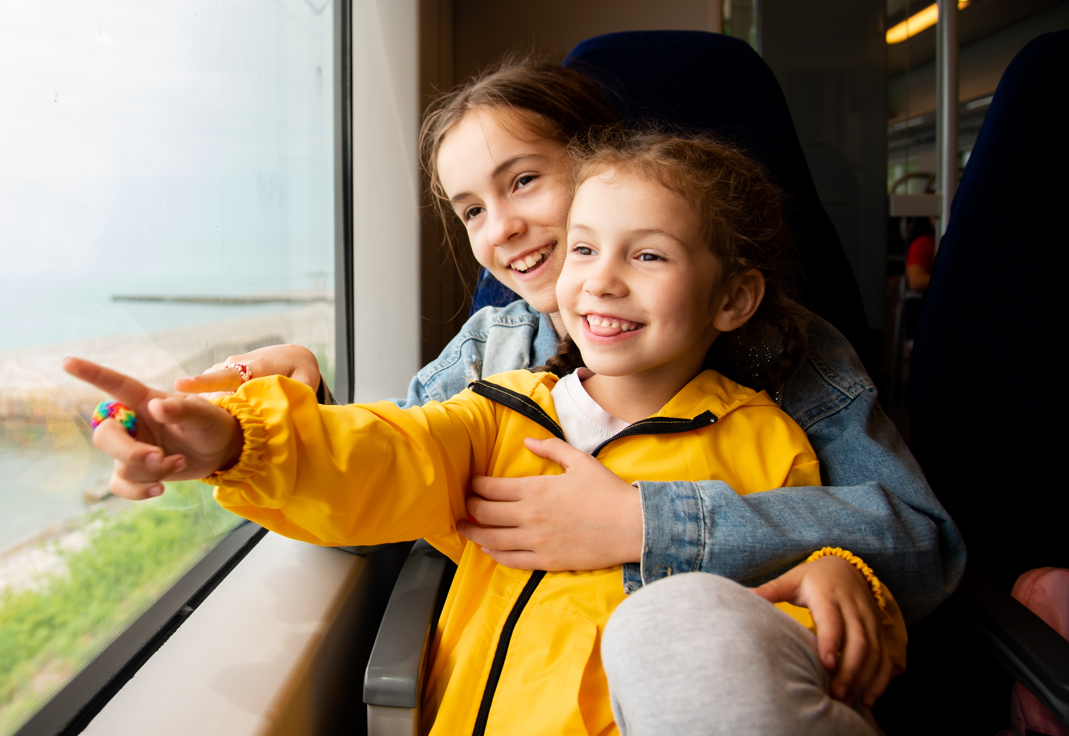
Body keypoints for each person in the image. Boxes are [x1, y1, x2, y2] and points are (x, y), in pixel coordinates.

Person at [65, 128, 906, 735]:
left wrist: (845, 575)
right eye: (583, 251)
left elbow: (789, 604)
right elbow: (380, 458)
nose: (601, 281)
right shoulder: (498, 410)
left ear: (732, 301)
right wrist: (234, 439)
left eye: (646, 257)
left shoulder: (767, 438)